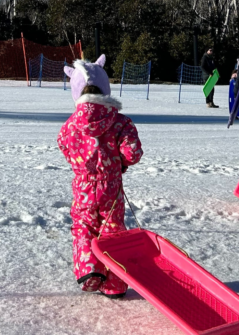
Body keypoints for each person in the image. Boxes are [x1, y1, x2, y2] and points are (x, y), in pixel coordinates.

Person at [59, 55, 143, 299]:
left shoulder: (70, 126)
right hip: (111, 185)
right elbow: (133, 152)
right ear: (105, 87)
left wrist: (80, 164)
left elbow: (64, 145)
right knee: (112, 230)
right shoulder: (120, 122)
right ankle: (115, 283)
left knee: (84, 225)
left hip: (83, 185)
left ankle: (89, 270)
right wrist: (120, 164)